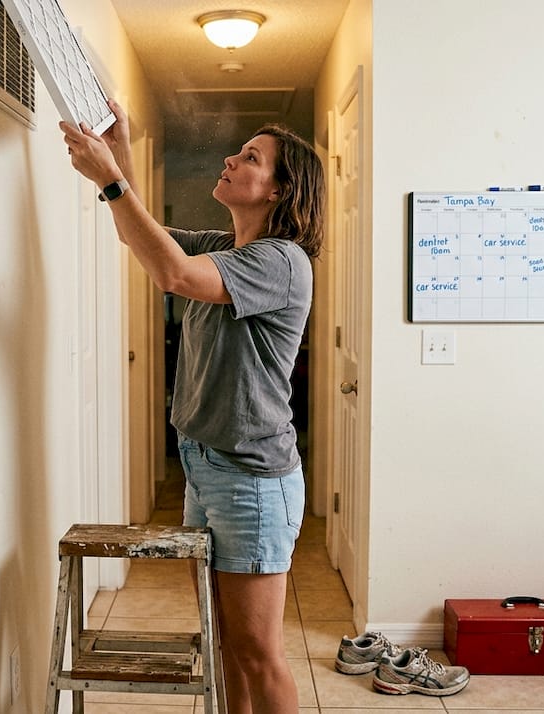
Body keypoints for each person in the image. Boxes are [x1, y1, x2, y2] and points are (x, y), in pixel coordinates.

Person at [61, 99, 323, 714]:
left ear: (279, 192)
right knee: (227, 642)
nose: (232, 158)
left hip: (252, 479)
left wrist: (110, 178)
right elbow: (142, 237)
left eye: (251, 158)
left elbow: (173, 275)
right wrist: (119, 158)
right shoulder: (227, 249)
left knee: (258, 652)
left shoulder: (282, 262)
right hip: (205, 466)